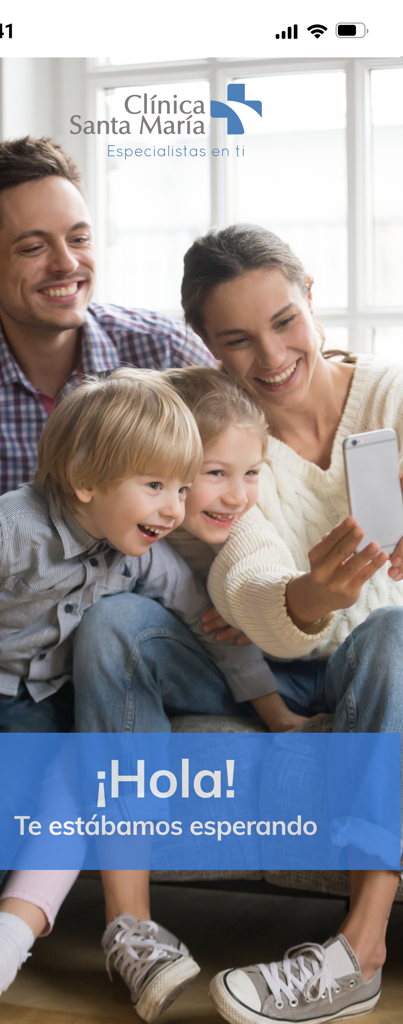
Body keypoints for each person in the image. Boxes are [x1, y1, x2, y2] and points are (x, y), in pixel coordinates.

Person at [0, 366, 319, 1024]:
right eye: (158, 486)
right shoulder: (0, 530)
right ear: (87, 481)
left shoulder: (141, 553)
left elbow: (210, 627)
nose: (173, 508)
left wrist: (275, 710)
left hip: (34, 706)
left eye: (180, 487)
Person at [0, 134, 214, 1024]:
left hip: (76, 664)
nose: (67, 264)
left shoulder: (158, 350)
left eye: (79, 237)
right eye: (33, 246)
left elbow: (261, 431)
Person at [178, 224, 403, 1024]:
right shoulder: (231, 450)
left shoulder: (390, 395)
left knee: (391, 633)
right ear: (206, 346)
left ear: (311, 299)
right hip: (314, 664)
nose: (271, 357)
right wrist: (309, 595)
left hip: (391, 654)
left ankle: (360, 950)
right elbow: (248, 580)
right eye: (236, 340)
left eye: (283, 322)